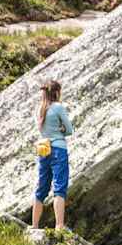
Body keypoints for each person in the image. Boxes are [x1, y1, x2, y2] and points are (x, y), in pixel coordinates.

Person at [34, 80, 74, 230]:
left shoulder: (40, 109)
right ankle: (59, 225)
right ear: (56, 92)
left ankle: (35, 225)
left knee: (41, 187)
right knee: (59, 187)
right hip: (58, 148)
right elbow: (69, 130)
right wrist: (61, 130)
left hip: (43, 149)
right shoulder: (58, 107)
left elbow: (42, 130)